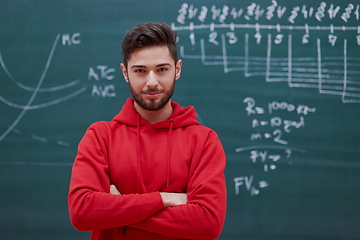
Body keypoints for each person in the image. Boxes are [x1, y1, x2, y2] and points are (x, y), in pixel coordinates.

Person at [68, 22, 227, 240]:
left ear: (177, 69)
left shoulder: (204, 141)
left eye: (162, 69)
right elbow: (82, 212)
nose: (152, 82)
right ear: (125, 73)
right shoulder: (100, 137)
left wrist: (118, 209)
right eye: (140, 71)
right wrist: (164, 199)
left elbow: (208, 223)